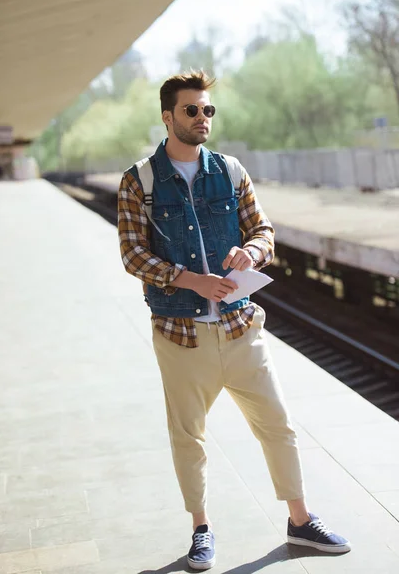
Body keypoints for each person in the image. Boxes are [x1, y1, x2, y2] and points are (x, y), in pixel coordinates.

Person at [118, 71, 351, 570]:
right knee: (189, 437)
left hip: (241, 328)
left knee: (279, 426)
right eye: (192, 111)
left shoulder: (230, 170)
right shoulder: (140, 181)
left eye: (208, 110)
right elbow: (133, 255)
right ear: (167, 116)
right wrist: (189, 279)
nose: (203, 119)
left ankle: (300, 520)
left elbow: (263, 230)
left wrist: (251, 251)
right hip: (180, 336)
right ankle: (201, 530)